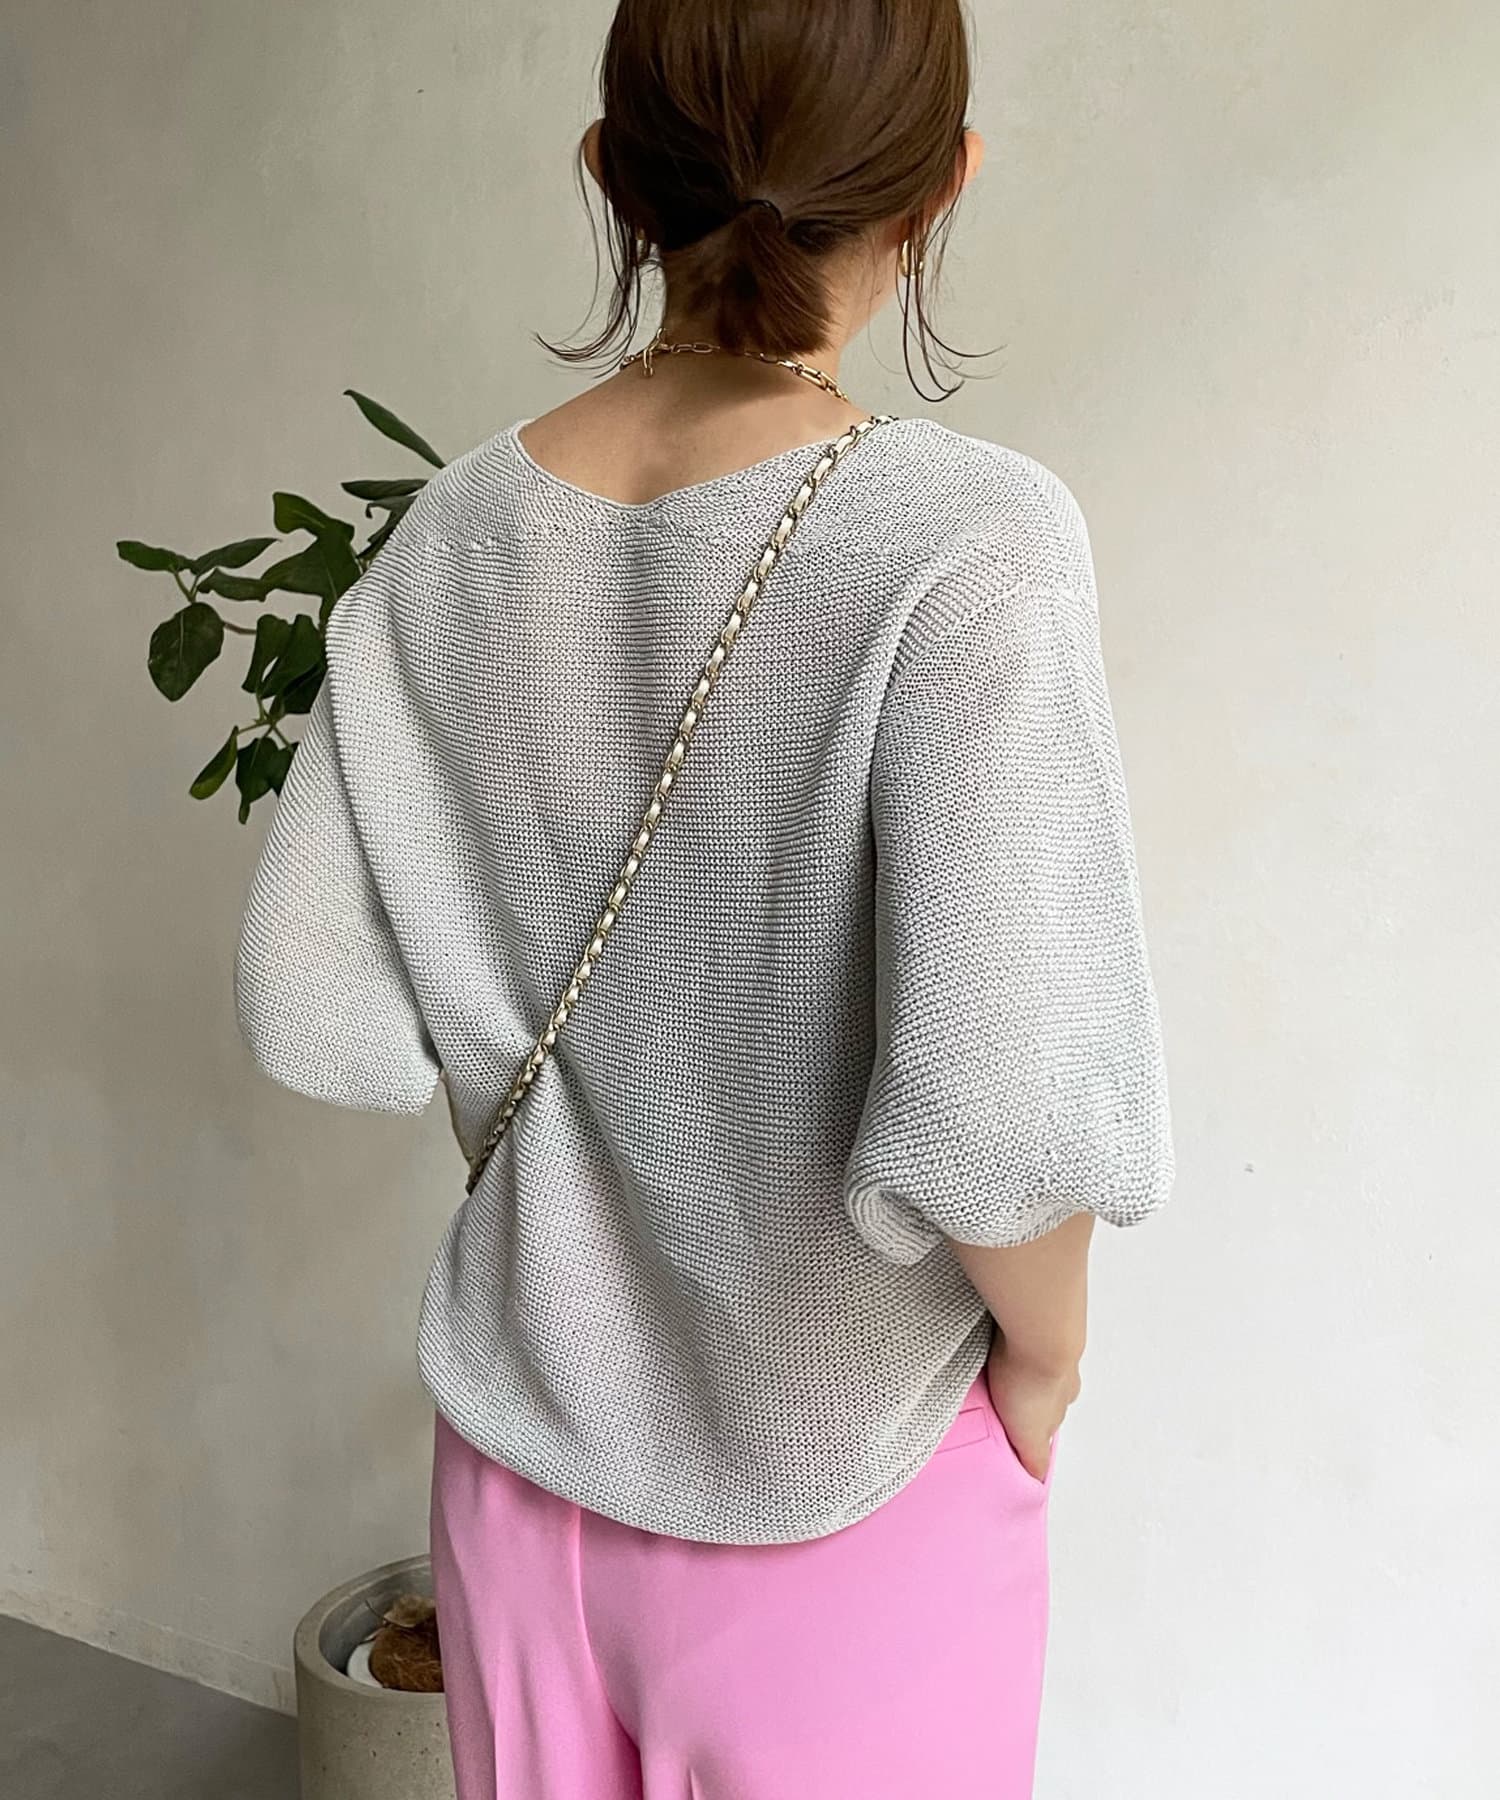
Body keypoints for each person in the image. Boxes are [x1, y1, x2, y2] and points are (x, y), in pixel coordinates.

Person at [233, 1, 1176, 1794]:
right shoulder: (965, 545)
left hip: (517, 1468)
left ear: (613, 174)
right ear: (942, 187)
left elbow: (315, 1005)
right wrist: (1046, 1371)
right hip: (842, 1490)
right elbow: (1006, 1121)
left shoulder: (447, 537)